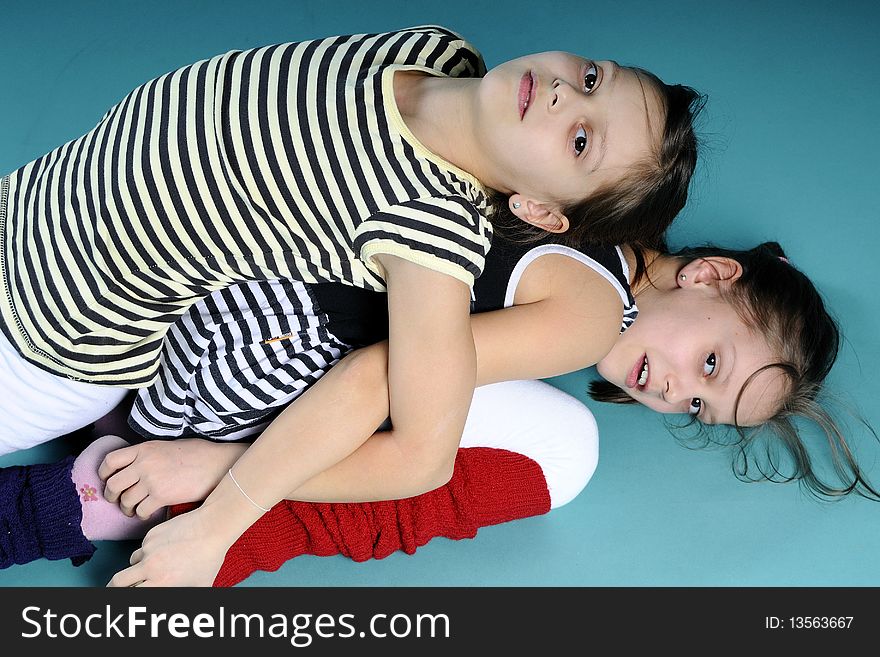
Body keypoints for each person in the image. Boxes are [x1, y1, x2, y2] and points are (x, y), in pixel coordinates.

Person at [0, 25, 702, 497]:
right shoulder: (439, 48)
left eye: (581, 141)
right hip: (22, 205)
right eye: (588, 78)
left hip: (50, 334)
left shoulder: (433, 236)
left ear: (540, 212)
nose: (561, 94)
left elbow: (422, 458)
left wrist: (225, 490)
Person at [4, 235, 875, 584]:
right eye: (710, 362)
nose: (671, 391)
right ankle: (119, 502)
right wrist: (218, 500)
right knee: (564, 450)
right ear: (712, 271)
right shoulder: (585, 302)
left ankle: (108, 497)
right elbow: (376, 380)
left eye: (696, 404)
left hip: (194, 352)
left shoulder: (585, 269)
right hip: (211, 316)